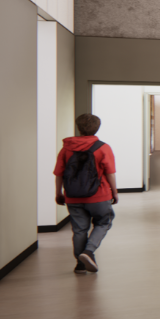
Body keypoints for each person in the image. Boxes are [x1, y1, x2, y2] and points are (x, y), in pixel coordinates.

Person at [54, 113, 117, 274]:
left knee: (79, 229)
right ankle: (88, 251)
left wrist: (59, 193)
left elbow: (59, 173)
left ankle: (80, 264)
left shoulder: (66, 148)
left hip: (73, 196)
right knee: (104, 222)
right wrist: (114, 192)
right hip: (99, 195)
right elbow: (110, 173)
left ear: (78, 127)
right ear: (97, 128)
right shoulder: (103, 147)